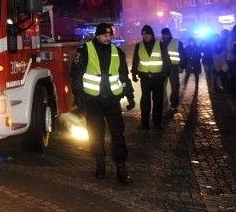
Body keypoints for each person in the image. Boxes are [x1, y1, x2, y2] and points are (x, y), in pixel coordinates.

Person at [70, 22, 134, 183]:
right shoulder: (85, 50)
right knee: (96, 134)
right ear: (97, 35)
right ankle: (100, 164)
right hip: (93, 100)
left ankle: (121, 167)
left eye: (109, 35)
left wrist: (130, 95)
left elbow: (123, 75)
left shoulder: (117, 52)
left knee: (118, 135)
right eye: (105, 35)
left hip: (113, 100)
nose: (108, 38)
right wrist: (79, 97)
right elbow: (76, 74)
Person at [132, 25, 172, 131]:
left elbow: (166, 60)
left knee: (158, 100)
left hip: (158, 77)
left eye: (148, 34)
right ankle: (145, 123)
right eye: (144, 34)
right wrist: (134, 73)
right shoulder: (139, 46)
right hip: (145, 78)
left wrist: (164, 74)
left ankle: (157, 123)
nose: (146, 36)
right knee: (145, 101)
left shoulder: (160, 44)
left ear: (152, 35)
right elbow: (136, 60)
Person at [160, 28, 187, 110]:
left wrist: (182, 66)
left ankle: (173, 103)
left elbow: (183, 55)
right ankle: (164, 103)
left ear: (169, 34)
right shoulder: (159, 43)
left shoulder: (177, 42)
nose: (165, 36)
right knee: (162, 87)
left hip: (173, 67)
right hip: (163, 67)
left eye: (166, 34)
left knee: (175, 87)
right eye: (163, 34)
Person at [225, 24, 236, 99]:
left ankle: (233, 91)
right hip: (233, 59)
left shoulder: (231, 36)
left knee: (233, 75)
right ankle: (235, 93)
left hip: (230, 58)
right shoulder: (233, 37)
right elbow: (231, 48)